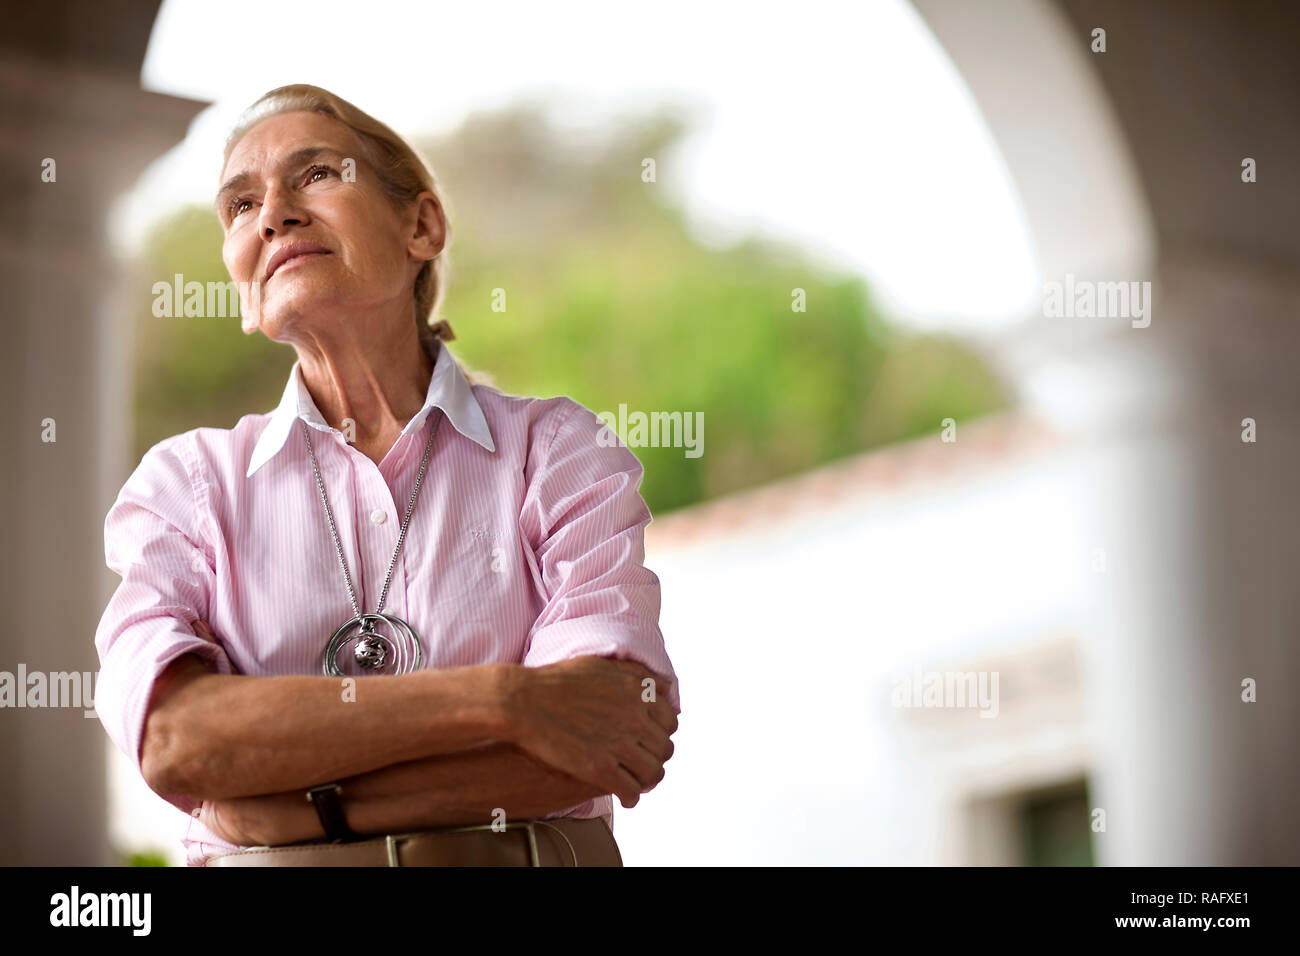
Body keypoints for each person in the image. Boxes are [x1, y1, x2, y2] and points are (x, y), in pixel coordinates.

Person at [93, 84, 680, 867]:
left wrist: (275, 808)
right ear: (242, 285)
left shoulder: (560, 451)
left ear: (421, 225)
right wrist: (503, 700)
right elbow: (174, 739)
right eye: (239, 206)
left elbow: (607, 733)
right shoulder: (182, 486)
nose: (272, 215)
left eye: (316, 175)